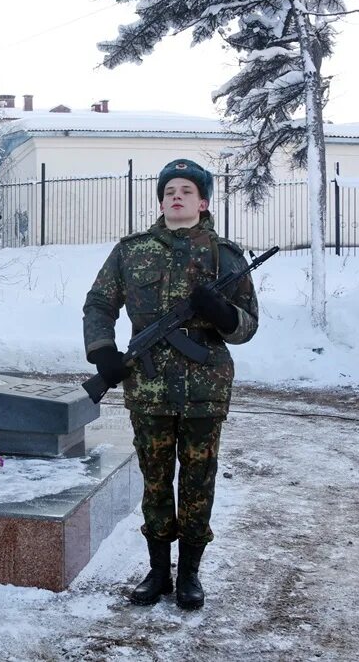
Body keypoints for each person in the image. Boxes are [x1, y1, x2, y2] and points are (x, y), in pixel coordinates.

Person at [83, 159, 259, 609]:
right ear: (161, 201)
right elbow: (99, 303)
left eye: (186, 190)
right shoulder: (132, 251)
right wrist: (104, 353)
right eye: (168, 191)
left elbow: (248, 326)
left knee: (198, 481)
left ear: (202, 201)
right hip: (149, 387)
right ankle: (159, 571)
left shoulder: (227, 257)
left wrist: (222, 314)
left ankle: (190, 574)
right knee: (156, 481)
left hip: (205, 387)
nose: (176, 197)